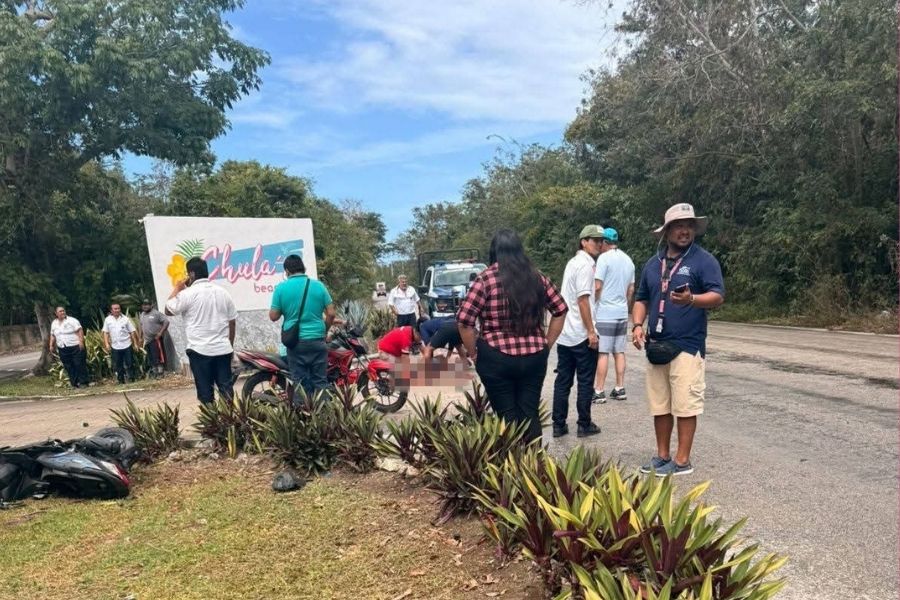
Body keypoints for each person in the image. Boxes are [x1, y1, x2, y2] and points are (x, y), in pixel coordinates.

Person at [632, 203, 724, 476]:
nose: (685, 231)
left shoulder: (704, 261)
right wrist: (637, 325)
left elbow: (717, 296)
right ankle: (662, 455)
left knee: (685, 405)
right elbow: (642, 299)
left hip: (687, 345)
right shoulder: (653, 264)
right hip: (656, 344)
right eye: (679, 226)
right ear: (667, 231)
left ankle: (682, 461)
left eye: (689, 226)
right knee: (659, 404)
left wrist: (692, 299)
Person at [458, 229, 568, 443]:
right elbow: (560, 310)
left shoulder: (485, 279)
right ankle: (535, 460)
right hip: (534, 356)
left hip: (496, 357)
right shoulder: (536, 277)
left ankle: (511, 461)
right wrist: (546, 343)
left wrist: (474, 353)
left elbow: (464, 322)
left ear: (494, 251)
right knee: (529, 413)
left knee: (506, 416)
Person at [551, 225, 603, 438]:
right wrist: (591, 331)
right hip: (580, 334)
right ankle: (584, 423)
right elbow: (583, 300)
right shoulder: (585, 265)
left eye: (601, 240)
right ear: (583, 241)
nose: (599, 244)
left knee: (563, 380)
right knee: (585, 380)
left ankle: (558, 424)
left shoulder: (573, 262)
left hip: (565, 333)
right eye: (594, 240)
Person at [165, 257, 238, 404]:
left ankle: (211, 418)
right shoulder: (223, 293)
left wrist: (177, 288)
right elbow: (232, 323)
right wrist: (229, 345)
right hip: (223, 350)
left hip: (200, 351)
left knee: (206, 395)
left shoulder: (187, 294)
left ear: (191, 274)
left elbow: (168, 310)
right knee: (226, 392)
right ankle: (229, 418)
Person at [270, 254, 336, 399]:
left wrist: (287, 309)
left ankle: (302, 412)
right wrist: (324, 331)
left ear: (287, 271)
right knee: (320, 381)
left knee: (299, 383)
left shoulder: (281, 288)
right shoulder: (319, 286)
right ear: (303, 267)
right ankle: (324, 412)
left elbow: (273, 316)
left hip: (296, 343)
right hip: (317, 341)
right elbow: (331, 314)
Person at [592, 227, 635, 403]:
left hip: (605, 312)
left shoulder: (603, 259)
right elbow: (631, 289)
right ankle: (619, 388)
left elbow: (597, 286)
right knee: (619, 351)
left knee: (603, 352)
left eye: (600, 242)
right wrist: (625, 305)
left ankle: (599, 390)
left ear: (604, 242)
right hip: (622, 312)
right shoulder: (628, 260)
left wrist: (594, 303)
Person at [49, 306, 89, 388]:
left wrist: (81, 342)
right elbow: (52, 335)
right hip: (62, 348)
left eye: (63, 311)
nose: (62, 312)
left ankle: (83, 382)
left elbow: (80, 330)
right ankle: (74, 383)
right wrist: (51, 345)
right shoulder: (54, 323)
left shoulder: (72, 320)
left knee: (79, 364)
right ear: (56, 313)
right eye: (60, 311)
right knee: (68, 366)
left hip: (75, 346)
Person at [103, 303, 139, 384]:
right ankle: (121, 380)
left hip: (127, 344)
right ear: (111, 310)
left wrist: (135, 343)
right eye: (115, 309)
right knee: (118, 365)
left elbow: (132, 331)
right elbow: (105, 332)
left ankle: (131, 379)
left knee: (130, 363)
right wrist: (107, 344)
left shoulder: (125, 319)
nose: (117, 310)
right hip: (115, 346)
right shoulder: (107, 320)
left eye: (118, 308)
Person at [139, 299, 170, 379]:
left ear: (151, 305)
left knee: (158, 356)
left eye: (147, 304)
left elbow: (166, 322)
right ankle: (155, 372)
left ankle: (161, 372)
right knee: (151, 357)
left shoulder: (156, 313)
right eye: (143, 305)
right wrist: (140, 337)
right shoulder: (142, 314)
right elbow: (141, 326)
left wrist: (160, 333)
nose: (145, 306)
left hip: (156, 339)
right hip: (147, 340)